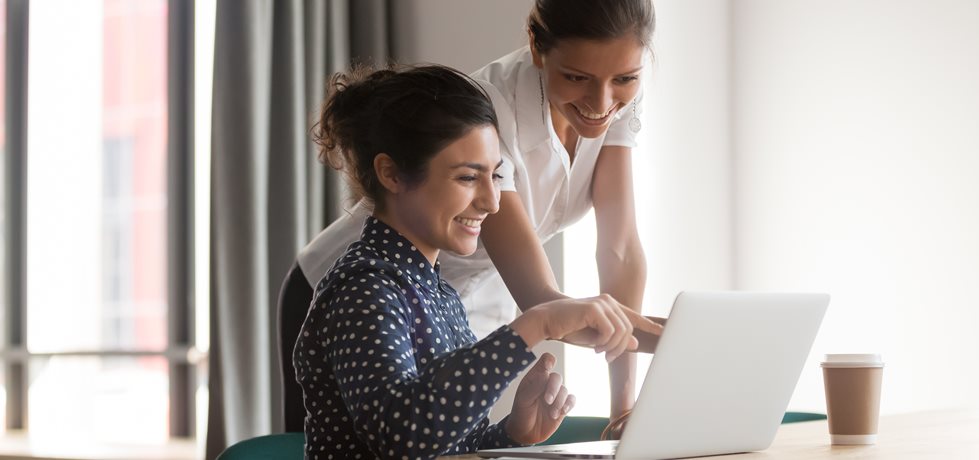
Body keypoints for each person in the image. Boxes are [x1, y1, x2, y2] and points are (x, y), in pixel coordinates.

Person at [291, 0, 660, 425]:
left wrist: (625, 409)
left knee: (451, 435)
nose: (602, 100)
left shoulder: (614, 89)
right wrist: (681, 340)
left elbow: (620, 253)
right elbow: (541, 301)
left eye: (625, 79)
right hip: (363, 291)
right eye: (577, 77)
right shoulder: (485, 112)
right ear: (537, 49)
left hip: (443, 299)